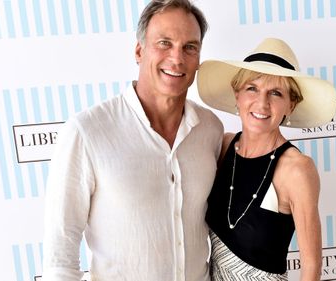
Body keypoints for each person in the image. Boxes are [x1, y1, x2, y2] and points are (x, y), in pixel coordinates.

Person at [41, 1, 223, 280]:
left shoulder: (210, 129)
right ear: (139, 51)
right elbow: (60, 253)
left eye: (190, 47)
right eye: (164, 43)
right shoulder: (87, 132)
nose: (177, 58)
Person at [197, 38, 336, 280]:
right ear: (237, 94)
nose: (262, 103)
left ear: (290, 105)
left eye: (276, 93)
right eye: (252, 88)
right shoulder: (224, 146)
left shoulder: (296, 169)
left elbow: (311, 266)